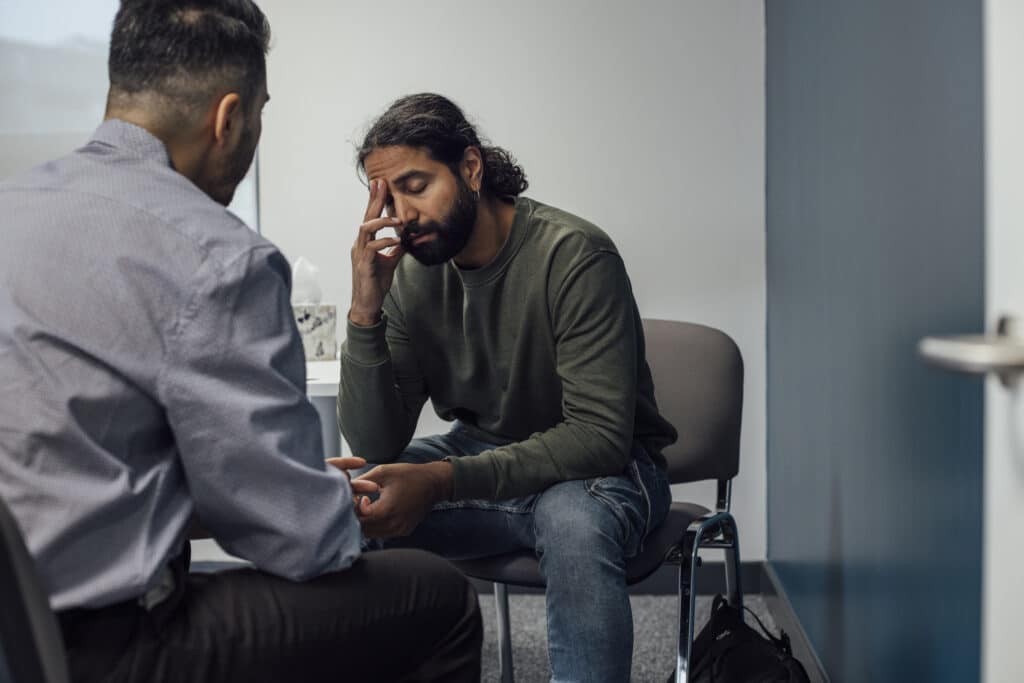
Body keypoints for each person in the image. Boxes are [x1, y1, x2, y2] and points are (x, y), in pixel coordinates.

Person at [0, 4, 480, 683]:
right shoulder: (219, 257)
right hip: (103, 648)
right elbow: (300, 540)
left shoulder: (11, 206)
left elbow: (70, 470)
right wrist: (317, 497)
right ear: (229, 119)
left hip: (15, 626)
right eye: (260, 113)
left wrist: (284, 488)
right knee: (438, 596)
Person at [339, 92, 679, 682]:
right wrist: (365, 309)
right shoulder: (409, 276)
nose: (403, 214)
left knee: (572, 521)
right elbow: (376, 441)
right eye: (387, 197)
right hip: (485, 453)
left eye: (416, 186)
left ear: (470, 167)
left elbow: (597, 438)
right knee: (351, 501)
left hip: (607, 470)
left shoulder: (573, 254)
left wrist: (441, 480)